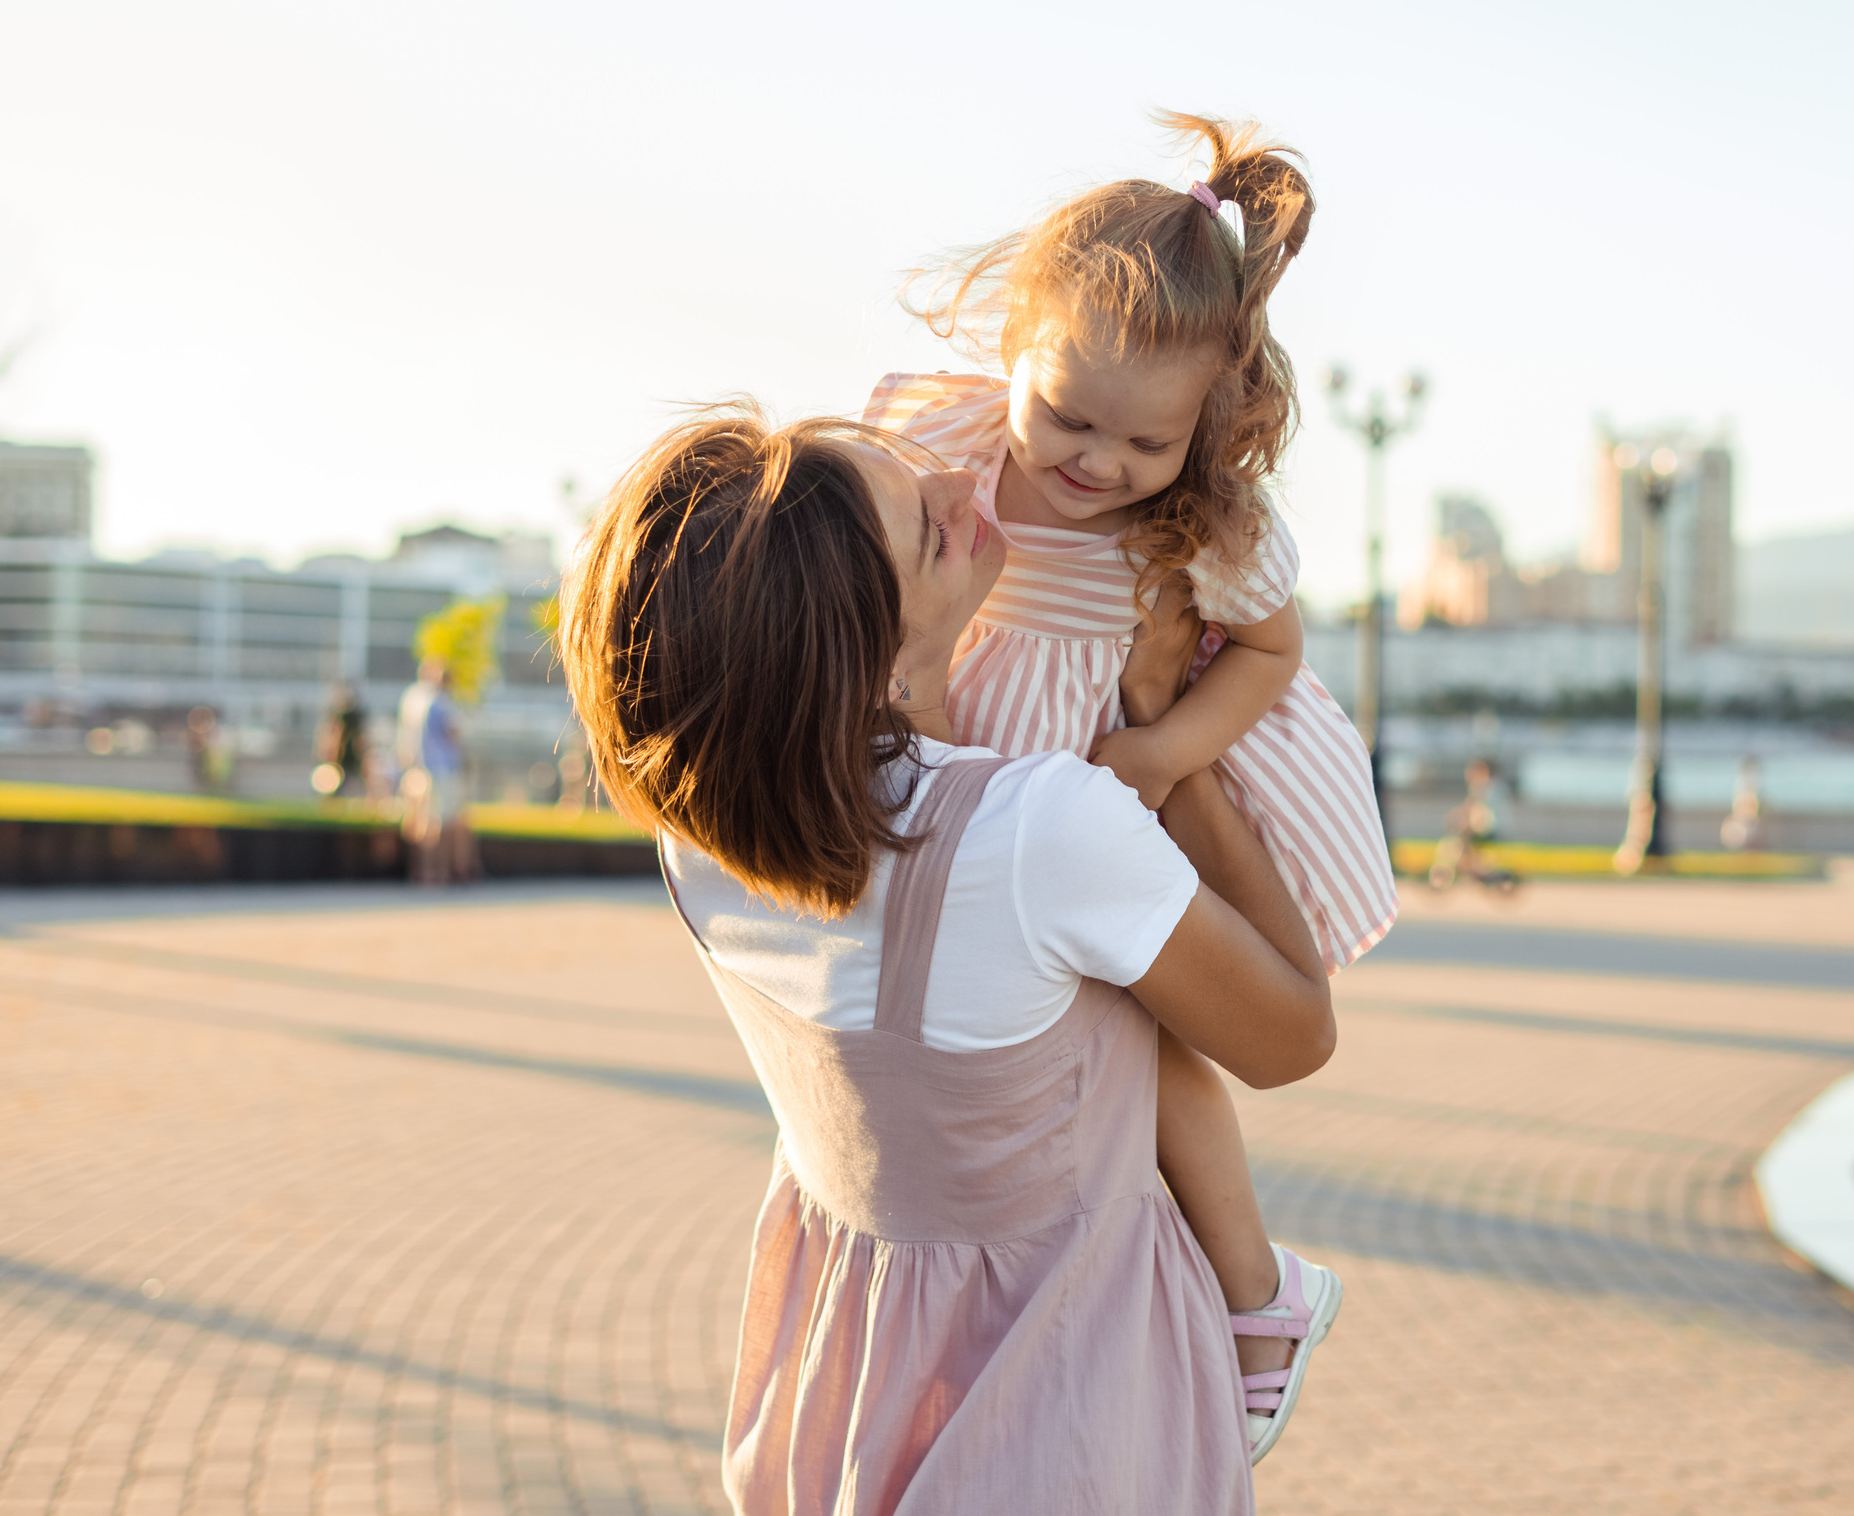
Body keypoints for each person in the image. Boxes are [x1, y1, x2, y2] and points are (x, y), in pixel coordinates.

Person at [558, 408, 1338, 1512]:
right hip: (1073, 1385)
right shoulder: (1038, 835)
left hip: (848, 1385)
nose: (966, 489)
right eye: (928, 529)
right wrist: (1169, 736)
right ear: (864, 659)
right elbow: (1294, 1034)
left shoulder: (700, 842)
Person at [866, 111, 1389, 1439]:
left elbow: (1270, 648)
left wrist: (1161, 750)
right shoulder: (945, 445)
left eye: (1145, 443)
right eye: (1067, 416)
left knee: (1142, 1044)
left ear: (1202, 425)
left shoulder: (1197, 522)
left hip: (1098, 791)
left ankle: (1257, 1288)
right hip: (967, 775)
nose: (1096, 463)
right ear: (1013, 342)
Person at [397, 659, 474, 883]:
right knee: (439, 824)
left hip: (417, 768)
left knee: (420, 821)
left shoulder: (412, 698)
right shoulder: (439, 702)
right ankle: (438, 874)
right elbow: (454, 731)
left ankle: (420, 873)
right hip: (440, 769)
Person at [1433, 756, 1524, 892]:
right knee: (1468, 843)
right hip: (1493, 827)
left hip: (1490, 828)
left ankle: (1476, 871)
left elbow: (1473, 808)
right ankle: (1475, 869)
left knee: (1463, 841)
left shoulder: (1485, 787)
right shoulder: (1494, 786)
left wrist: (1457, 820)